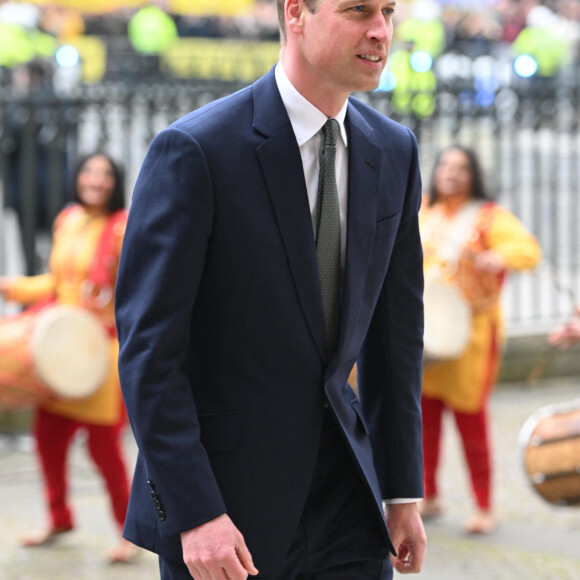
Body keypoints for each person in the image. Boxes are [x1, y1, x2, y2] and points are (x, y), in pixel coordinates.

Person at [114, 0, 427, 579]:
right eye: (358, 10)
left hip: (350, 505)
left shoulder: (395, 150)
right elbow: (149, 355)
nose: (381, 30)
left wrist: (402, 488)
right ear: (295, 14)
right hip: (227, 515)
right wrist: (195, 513)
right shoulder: (197, 151)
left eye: (388, 10)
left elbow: (396, 338)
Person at [0, 152, 137, 563]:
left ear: (116, 182)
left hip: (97, 355)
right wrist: (13, 288)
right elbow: (58, 284)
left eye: (105, 174)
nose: (95, 180)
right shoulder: (68, 219)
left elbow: (132, 290)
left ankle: (128, 533)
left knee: (103, 450)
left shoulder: (121, 228)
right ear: (78, 177)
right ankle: (59, 518)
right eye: (89, 172)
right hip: (59, 352)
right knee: (48, 439)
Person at [418, 145, 542, 534]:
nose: (451, 173)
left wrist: (499, 258)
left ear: (474, 175)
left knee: (472, 423)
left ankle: (485, 506)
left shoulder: (490, 217)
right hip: (427, 335)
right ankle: (428, 495)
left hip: (471, 337)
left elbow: (527, 251)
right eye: (446, 166)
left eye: (461, 167)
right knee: (425, 420)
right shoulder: (424, 209)